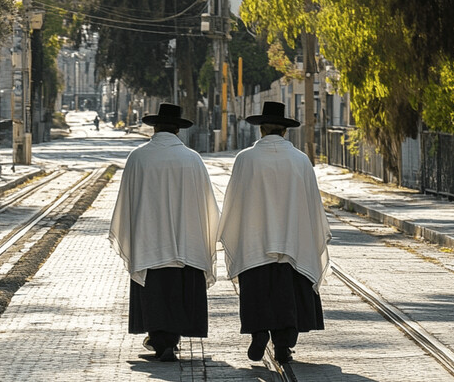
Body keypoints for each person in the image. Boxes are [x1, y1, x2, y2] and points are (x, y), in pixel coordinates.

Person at [217, 101, 331, 363]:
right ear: (285, 131)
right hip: (293, 244)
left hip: (255, 243)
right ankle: (283, 344)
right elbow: (312, 205)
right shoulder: (301, 160)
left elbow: (234, 202)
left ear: (261, 130)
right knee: (288, 294)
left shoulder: (245, 159)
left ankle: (259, 334)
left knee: (257, 291)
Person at [109, 103, 219, 362]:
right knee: (180, 292)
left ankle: (160, 340)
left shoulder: (138, 157)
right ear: (178, 130)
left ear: (155, 127)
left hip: (150, 244)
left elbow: (127, 202)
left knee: (155, 293)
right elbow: (207, 206)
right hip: (186, 244)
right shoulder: (192, 159)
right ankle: (172, 338)